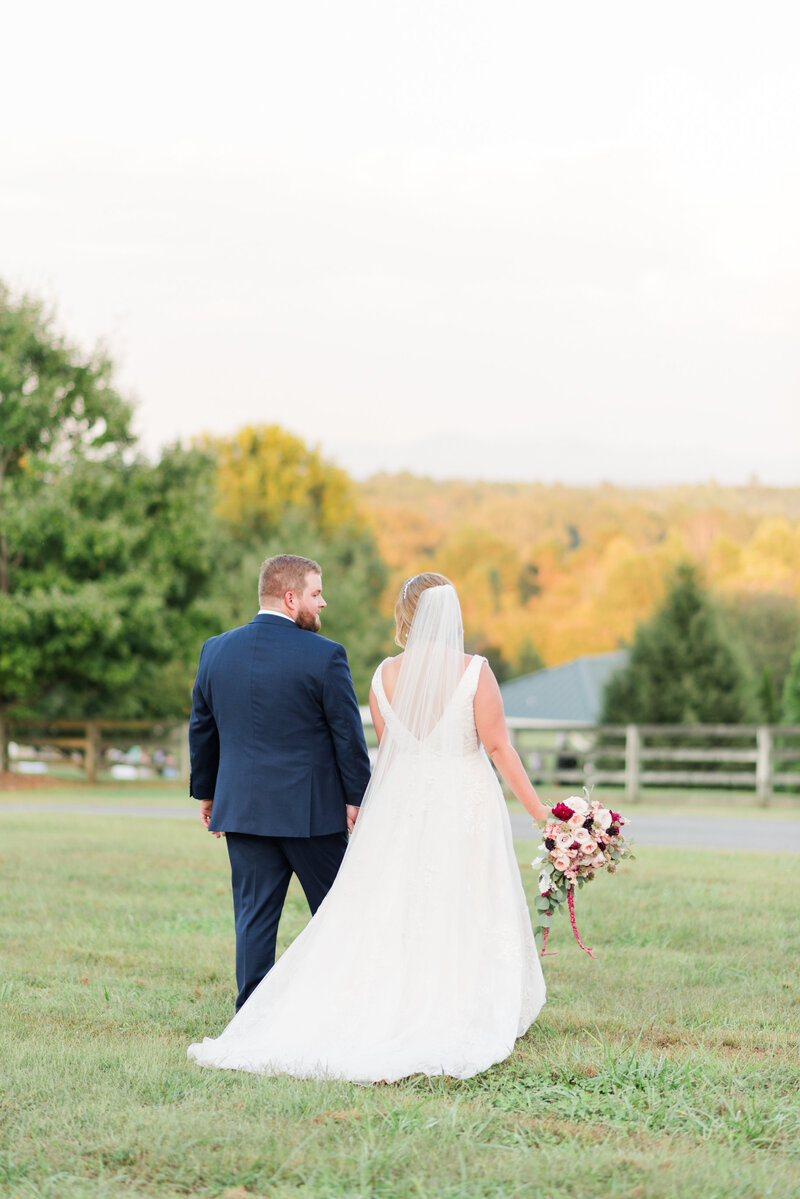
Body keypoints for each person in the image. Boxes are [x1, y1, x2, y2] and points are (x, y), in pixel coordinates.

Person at [188, 573, 549, 1082]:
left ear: (405, 614)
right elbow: (496, 747)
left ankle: (289, 1008)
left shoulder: (383, 675)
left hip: (393, 805)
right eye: (316, 593)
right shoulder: (473, 671)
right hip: (457, 802)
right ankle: (450, 1001)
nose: (323, 601)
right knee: (461, 898)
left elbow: (389, 753)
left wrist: (367, 810)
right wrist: (542, 814)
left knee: (387, 907)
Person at [189, 553, 371, 1011]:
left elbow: (202, 729)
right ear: (291, 598)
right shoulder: (326, 654)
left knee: (253, 919)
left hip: (244, 810)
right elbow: (347, 735)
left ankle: (250, 1015)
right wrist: (357, 798)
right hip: (313, 815)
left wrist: (209, 793)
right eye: (316, 593)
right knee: (338, 913)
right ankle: (349, 1007)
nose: (323, 603)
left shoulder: (215, 650)